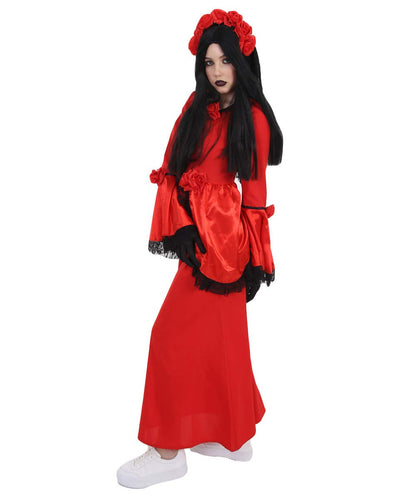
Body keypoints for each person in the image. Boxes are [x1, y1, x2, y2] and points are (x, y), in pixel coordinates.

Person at [117, 9, 283, 489]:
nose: (216, 71)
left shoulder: (253, 119)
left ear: (241, 62)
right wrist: (182, 227)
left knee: (171, 338)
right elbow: (171, 167)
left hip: (227, 246)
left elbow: (255, 195)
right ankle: (226, 434)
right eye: (209, 62)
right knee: (216, 341)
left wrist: (255, 260)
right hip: (197, 237)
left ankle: (168, 451)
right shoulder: (196, 106)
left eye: (225, 61)